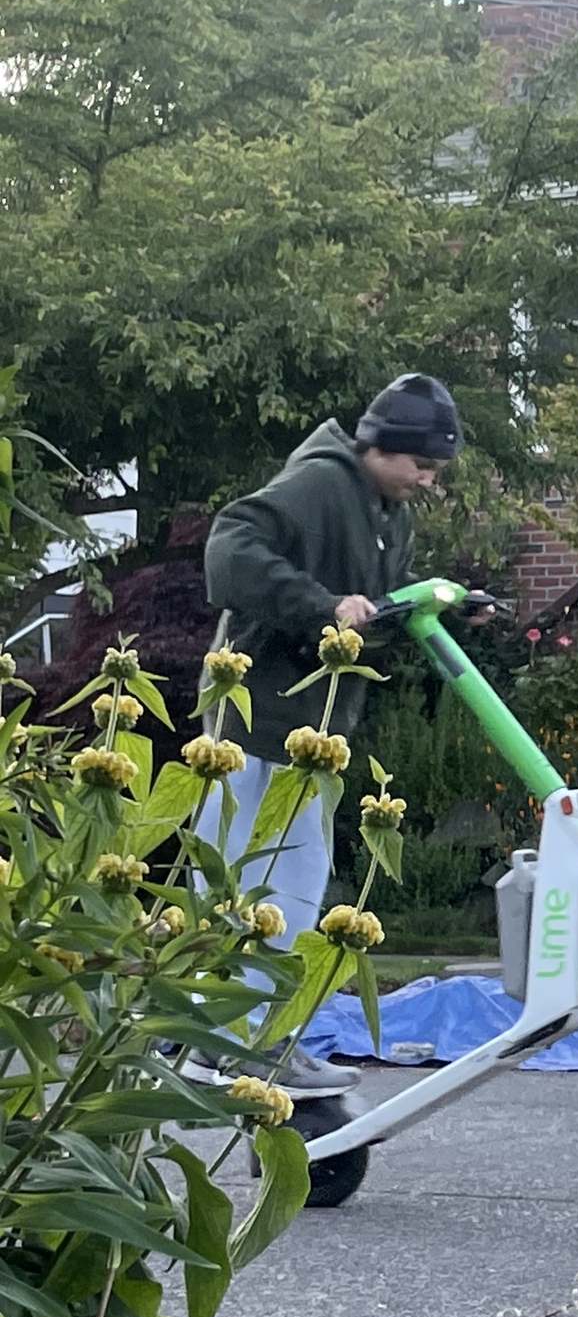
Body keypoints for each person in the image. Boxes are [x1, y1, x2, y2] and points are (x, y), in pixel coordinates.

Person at [190, 373, 461, 1092]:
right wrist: (321, 606)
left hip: (312, 740)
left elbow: (367, 611)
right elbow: (229, 550)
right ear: (381, 446)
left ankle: (265, 1037)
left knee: (298, 890)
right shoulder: (319, 484)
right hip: (252, 725)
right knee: (238, 879)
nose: (427, 481)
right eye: (421, 465)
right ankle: (215, 1035)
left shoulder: (386, 511)